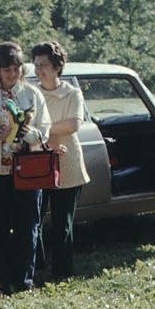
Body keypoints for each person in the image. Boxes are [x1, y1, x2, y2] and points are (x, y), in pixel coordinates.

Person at [0, 41, 51, 294]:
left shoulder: (32, 94)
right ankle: (4, 280)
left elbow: (44, 130)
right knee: (1, 226)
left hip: (27, 169)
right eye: (6, 70)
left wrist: (29, 133)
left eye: (15, 69)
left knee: (28, 225)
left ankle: (24, 279)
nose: (11, 75)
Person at [30, 40, 90, 280]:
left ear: (57, 66)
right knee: (34, 219)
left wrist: (41, 129)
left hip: (69, 163)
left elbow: (73, 124)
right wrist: (45, 134)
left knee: (62, 223)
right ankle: (37, 267)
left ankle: (63, 273)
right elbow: (25, 127)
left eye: (44, 64)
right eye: (36, 65)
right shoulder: (32, 93)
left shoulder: (73, 93)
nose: (39, 70)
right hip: (38, 162)